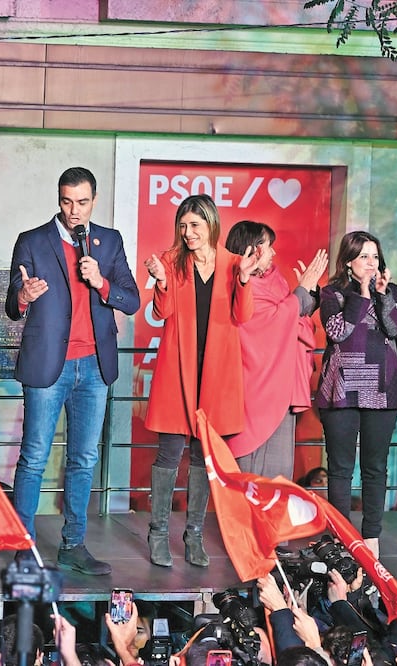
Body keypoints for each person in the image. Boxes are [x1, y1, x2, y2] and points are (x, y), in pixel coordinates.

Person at [6, 166, 140, 576]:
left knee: (83, 459)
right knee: (33, 458)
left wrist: (101, 282)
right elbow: (13, 304)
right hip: (49, 365)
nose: (74, 210)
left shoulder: (109, 241)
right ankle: (23, 547)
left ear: (94, 200)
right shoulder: (32, 241)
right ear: (58, 199)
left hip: (94, 367)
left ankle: (74, 544)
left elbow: (131, 300)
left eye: (82, 202)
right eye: (66, 201)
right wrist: (23, 296)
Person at [143, 194, 258, 568]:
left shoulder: (234, 264)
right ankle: (158, 533)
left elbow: (243, 315)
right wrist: (160, 282)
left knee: (201, 458)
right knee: (168, 453)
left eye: (194, 225)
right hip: (178, 372)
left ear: (211, 224)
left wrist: (243, 280)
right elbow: (163, 313)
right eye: (182, 225)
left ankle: (193, 535)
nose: (187, 232)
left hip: (216, 375)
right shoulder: (171, 262)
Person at [315, 230, 397, 559]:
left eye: (375, 257)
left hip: (383, 388)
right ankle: (341, 535)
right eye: (364, 257)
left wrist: (381, 296)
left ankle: (371, 535)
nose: (371, 263)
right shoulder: (331, 292)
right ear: (349, 262)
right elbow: (338, 332)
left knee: (375, 466)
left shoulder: (392, 290)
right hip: (342, 387)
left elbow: (396, 329)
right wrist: (362, 294)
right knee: (341, 467)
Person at [223, 220, 327, 478]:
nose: (274, 253)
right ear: (254, 250)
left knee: (278, 471)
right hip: (253, 385)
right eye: (269, 247)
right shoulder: (238, 283)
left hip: (281, 382)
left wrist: (309, 291)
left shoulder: (274, 279)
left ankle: (272, 518)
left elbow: (293, 314)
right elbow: (270, 321)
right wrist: (301, 292)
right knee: (250, 472)